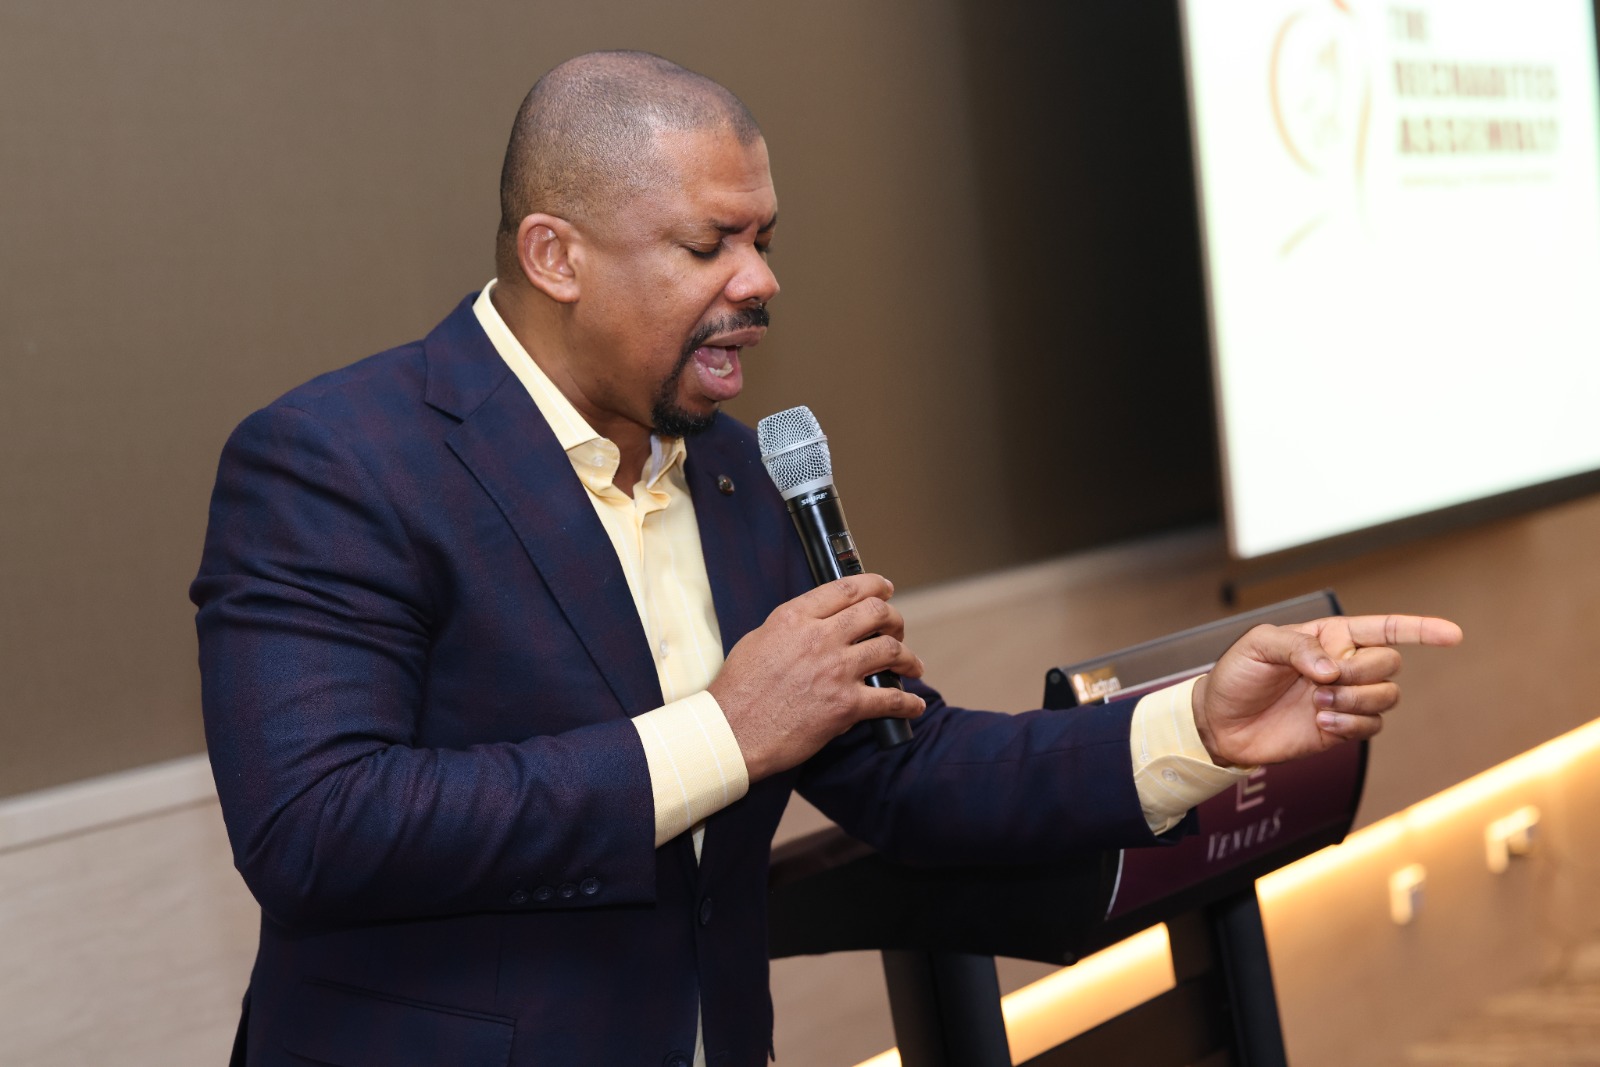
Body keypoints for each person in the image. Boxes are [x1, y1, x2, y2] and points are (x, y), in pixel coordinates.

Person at [191, 51, 1461, 1067]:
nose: (760, 280)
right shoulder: (337, 461)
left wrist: (1197, 726)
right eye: (709, 246)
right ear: (554, 256)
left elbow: (908, 772)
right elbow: (317, 827)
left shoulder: (742, 473)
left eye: (765, 238)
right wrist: (724, 732)